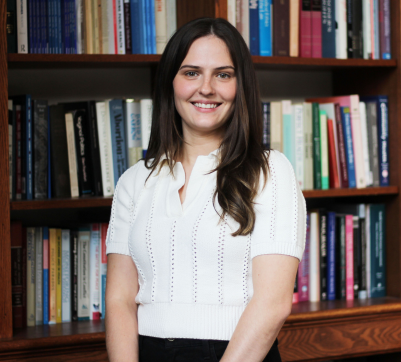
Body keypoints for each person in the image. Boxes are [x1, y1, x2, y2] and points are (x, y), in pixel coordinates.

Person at [105, 17, 306, 362]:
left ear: (239, 86)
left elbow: (272, 306)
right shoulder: (134, 181)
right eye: (191, 72)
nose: (207, 88)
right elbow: (120, 300)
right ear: (170, 82)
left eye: (223, 75)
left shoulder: (270, 171)